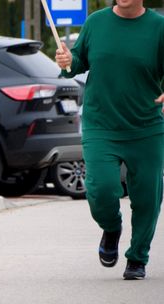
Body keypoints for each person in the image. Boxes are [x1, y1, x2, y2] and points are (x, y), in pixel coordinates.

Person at [55, 0, 164, 280]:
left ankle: (138, 257)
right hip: (100, 124)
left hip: (146, 126)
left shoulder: (158, 27)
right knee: (101, 189)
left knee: (147, 198)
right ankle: (111, 228)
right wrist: (68, 61)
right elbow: (77, 63)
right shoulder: (96, 22)